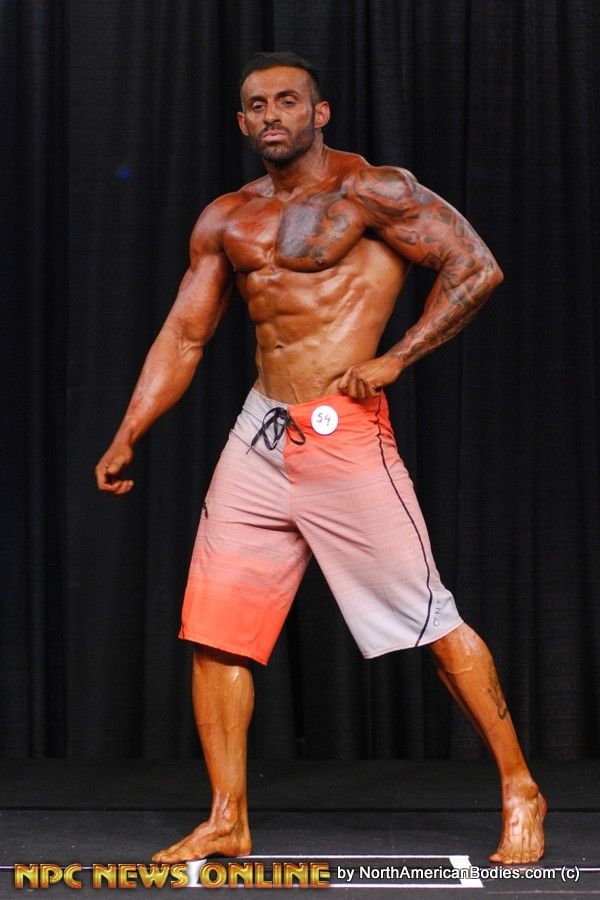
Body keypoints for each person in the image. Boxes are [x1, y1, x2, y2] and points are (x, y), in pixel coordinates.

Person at [96, 51, 545, 866]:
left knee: (430, 621)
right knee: (216, 630)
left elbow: (476, 267)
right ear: (242, 122)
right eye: (257, 105)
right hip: (258, 434)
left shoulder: (372, 190)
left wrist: (398, 357)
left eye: (287, 101)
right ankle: (227, 818)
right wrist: (130, 431)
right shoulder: (226, 218)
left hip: (344, 431)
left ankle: (520, 787)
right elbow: (186, 334)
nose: (272, 115)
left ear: (319, 111)